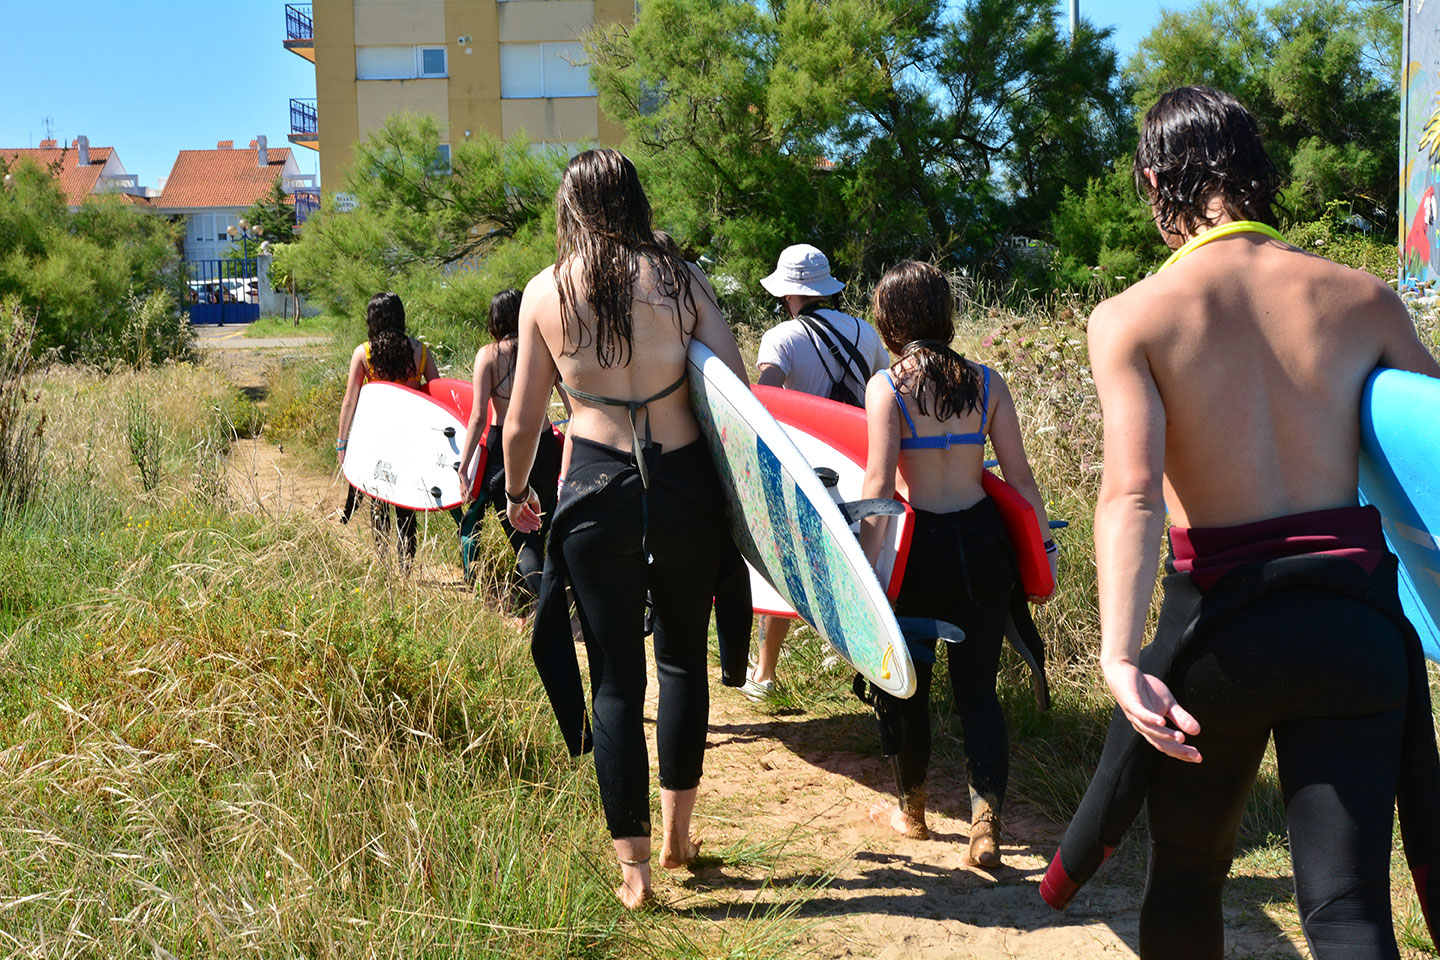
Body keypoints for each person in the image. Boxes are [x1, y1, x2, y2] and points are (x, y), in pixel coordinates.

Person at [1041, 86, 1440, 958]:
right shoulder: (1365, 299)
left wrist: (1117, 657)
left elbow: (1133, 496)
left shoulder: (1132, 318)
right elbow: (1431, 455)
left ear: (1155, 181)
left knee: (1186, 878)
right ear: (1257, 172)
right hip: (1355, 636)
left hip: (1218, 641)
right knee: (1347, 909)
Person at [501, 149, 751, 910]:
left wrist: (517, 494)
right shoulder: (683, 280)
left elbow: (521, 420)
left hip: (594, 490)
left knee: (614, 676)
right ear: (636, 201)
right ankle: (679, 839)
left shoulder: (547, 291)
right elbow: (736, 395)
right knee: (680, 660)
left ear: (570, 208)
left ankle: (634, 872)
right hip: (683, 489)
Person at [857, 260, 1054, 868]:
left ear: (891, 320)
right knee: (978, 690)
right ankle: (985, 826)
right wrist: (1041, 550)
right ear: (945, 315)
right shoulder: (987, 381)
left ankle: (912, 814)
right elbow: (1017, 478)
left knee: (908, 685)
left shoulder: (887, 387)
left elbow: (879, 484)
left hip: (922, 554)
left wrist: (863, 570)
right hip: (983, 547)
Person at [744, 243, 891, 701]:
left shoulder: (781, 338)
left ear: (787, 293)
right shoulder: (866, 333)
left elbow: (763, 403)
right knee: (864, 569)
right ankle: (875, 666)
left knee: (787, 565)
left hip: (808, 469)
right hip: (863, 465)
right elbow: (882, 394)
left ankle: (765, 676)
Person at [456, 288, 564, 614]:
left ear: (494, 320)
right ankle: (548, 600)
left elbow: (478, 417)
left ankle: (547, 608)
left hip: (505, 449)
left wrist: (464, 465)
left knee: (522, 537)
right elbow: (572, 402)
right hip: (545, 445)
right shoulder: (544, 348)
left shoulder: (488, 356)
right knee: (542, 530)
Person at [336, 291, 439, 566]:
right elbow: (439, 394)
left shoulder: (364, 353)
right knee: (406, 503)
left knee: (378, 500)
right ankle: (406, 563)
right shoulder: (420, 351)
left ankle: (382, 560)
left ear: (372, 319)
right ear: (400, 316)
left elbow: (350, 401)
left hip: (376, 440)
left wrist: (342, 442)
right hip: (410, 439)